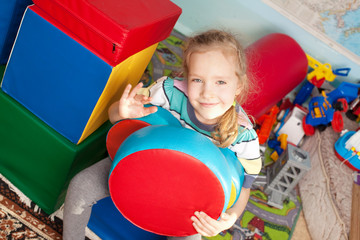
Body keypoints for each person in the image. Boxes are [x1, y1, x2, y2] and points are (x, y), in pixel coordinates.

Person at [62, 29, 262, 240]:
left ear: (239, 85)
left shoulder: (244, 135)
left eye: (220, 82)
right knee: (80, 186)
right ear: (187, 77)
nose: (207, 93)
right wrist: (122, 112)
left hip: (190, 200)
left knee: (191, 237)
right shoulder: (167, 92)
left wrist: (230, 217)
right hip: (142, 167)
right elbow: (114, 117)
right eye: (197, 80)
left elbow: (245, 187)